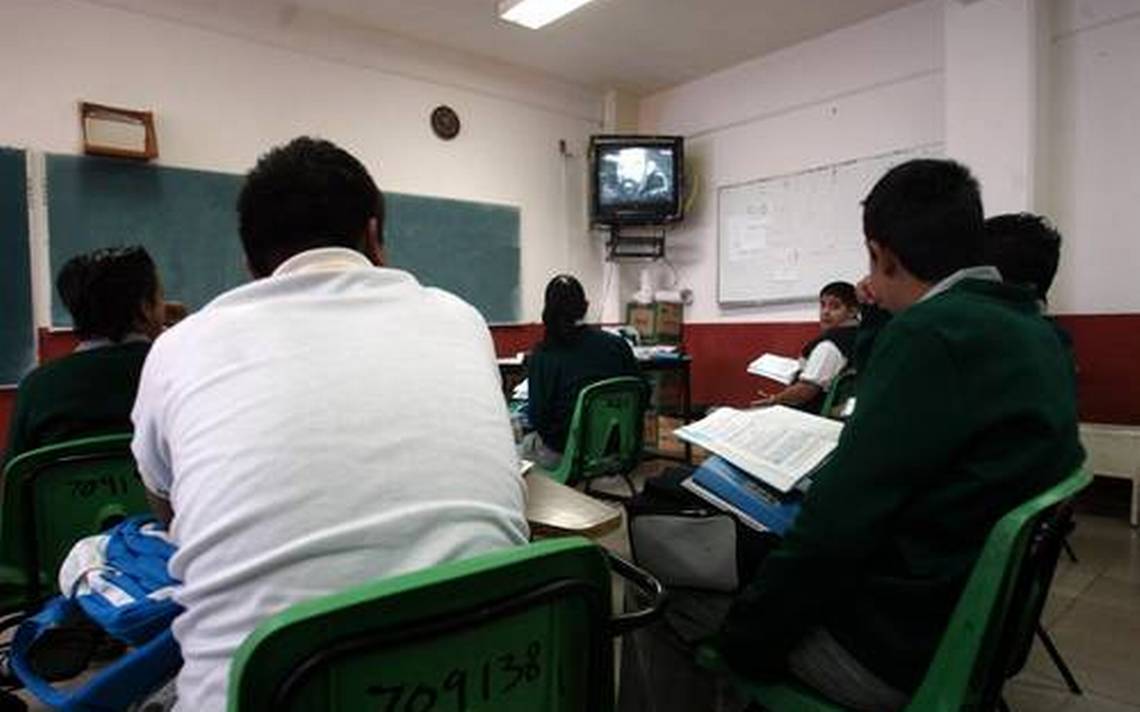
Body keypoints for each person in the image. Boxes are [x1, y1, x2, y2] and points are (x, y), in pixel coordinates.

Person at [130, 136, 529, 711]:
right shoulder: (461, 319)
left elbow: (168, 513)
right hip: (490, 685)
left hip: (271, 690)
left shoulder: (177, 350)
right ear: (373, 236)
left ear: (251, 264)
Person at [713, 159, 1083, 710]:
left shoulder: (932, 336)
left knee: (677, 594)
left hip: (896, 651)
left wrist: (744, 641)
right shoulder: (1034, 329)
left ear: (881, 253)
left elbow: (833, 532)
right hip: (979, 632)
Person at [3, 246, 164, 464]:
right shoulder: (179, 373)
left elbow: (13, 481)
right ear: (146, 307)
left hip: (64, 498)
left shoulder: (37, 388)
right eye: (160, 296)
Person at [519, 274, 640, 470]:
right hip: (617, 450)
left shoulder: (544, 354)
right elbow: (643, 394)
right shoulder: (617, 345)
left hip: (565, 455)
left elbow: (538, 417)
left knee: (517, 448)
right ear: (585, 306)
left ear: (547, 310)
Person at [754, 281, 860, 413]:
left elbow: (805, 391)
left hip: (812, 415)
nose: (825, 312)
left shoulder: (829, 346)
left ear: (852, 311)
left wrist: (775, 399)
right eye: (822, 305)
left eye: (835, 306)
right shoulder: (861, 336)